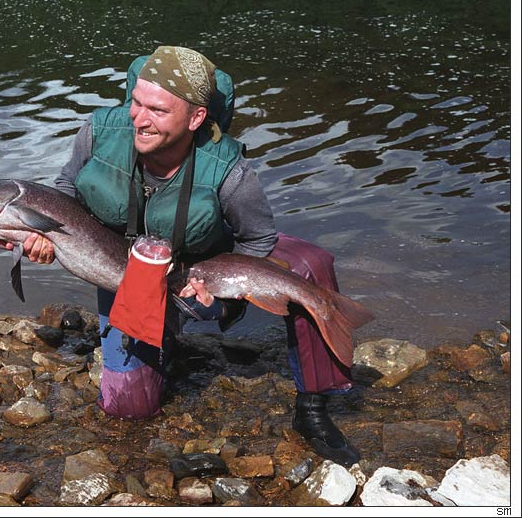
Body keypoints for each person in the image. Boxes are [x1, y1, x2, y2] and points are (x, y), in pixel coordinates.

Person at [22, 46, 360, 466]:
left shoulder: (230, 171)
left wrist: (225, 296)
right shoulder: (96, 133)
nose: (139, 120)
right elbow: (66, 192)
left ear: (196, 118)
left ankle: (314, 406)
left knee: (310, 265)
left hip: (207, 262)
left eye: (158, 111)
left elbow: (257, 240)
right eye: (136, 103)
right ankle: (166, 337)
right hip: (128, 272)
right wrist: (42, 237)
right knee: (128, 408)